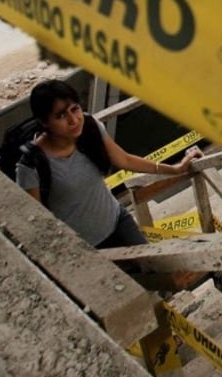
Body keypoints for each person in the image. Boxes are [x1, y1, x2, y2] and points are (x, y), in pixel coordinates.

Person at [16, 79, 199, 249]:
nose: (73, 120)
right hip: (83, 248)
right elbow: (38, 223)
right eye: (61, 115)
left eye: (75, 109)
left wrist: (174, 169)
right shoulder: (31, 165)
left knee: (157, 272)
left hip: (117, 221)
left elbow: (124, 160)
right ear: (43, 122)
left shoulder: (90, 127)